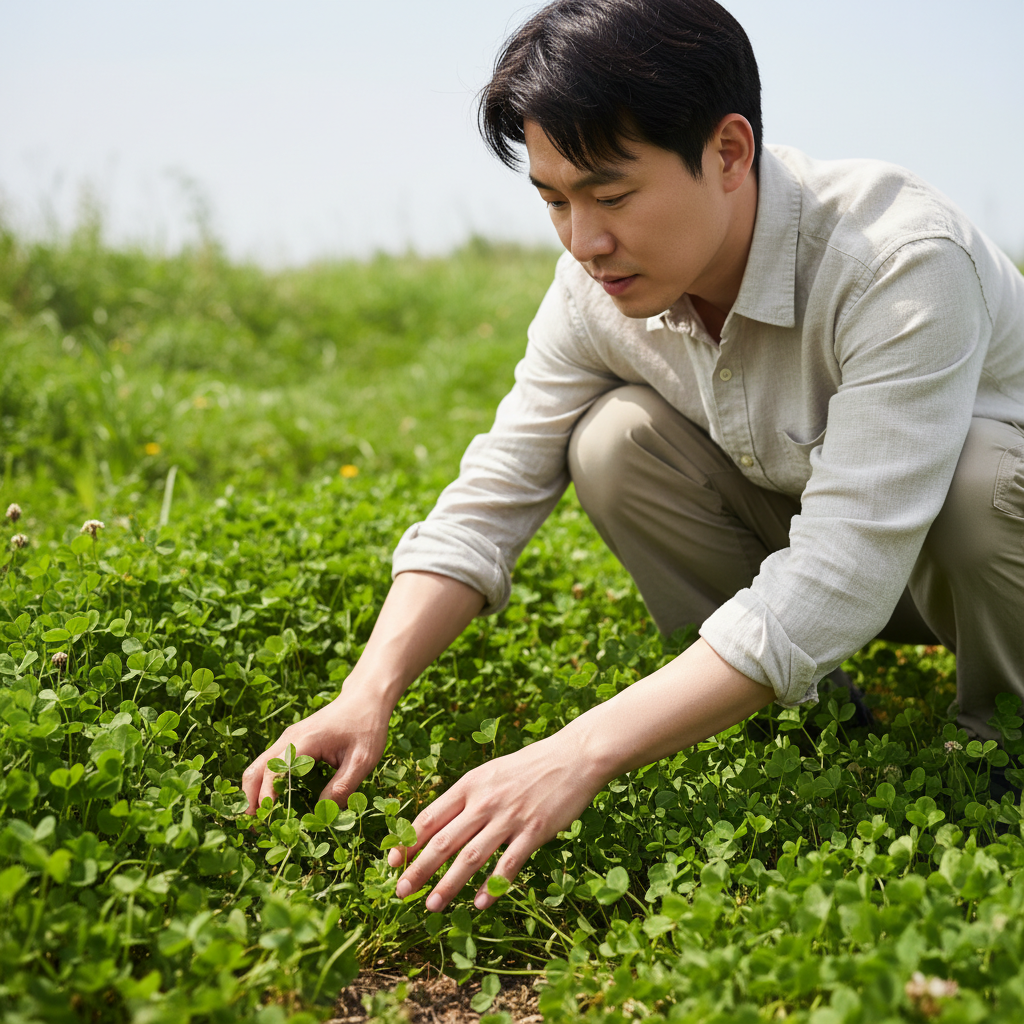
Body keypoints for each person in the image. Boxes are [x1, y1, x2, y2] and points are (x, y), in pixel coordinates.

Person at [242, 0, 1024, 913]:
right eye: (554, 201)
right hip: (834, 540)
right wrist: (364, 691)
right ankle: (808, 730)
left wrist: (577, 752)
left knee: (980, 480)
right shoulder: (594, 284)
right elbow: (497, 485)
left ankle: (996, 755)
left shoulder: (897, 258)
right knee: (613, 441)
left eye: (611, 196)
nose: (584, 241)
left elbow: (847, 566)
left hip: (971, 563)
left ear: (730, 153)